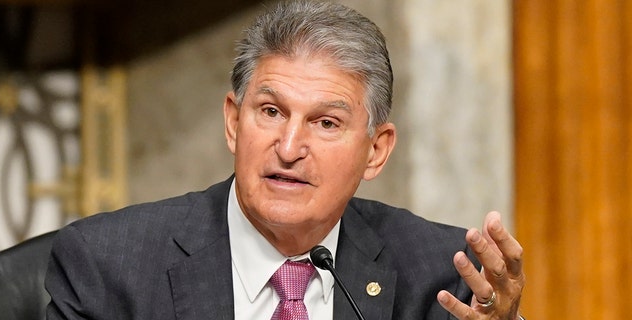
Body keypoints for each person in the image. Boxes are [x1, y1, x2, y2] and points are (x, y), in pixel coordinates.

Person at [45, 1, 525, 319]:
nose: (290, 147)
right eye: (271, 112)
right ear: (234, 122)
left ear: (376, 151)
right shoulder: (109, 266)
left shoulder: (441, 276)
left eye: (326, 123)